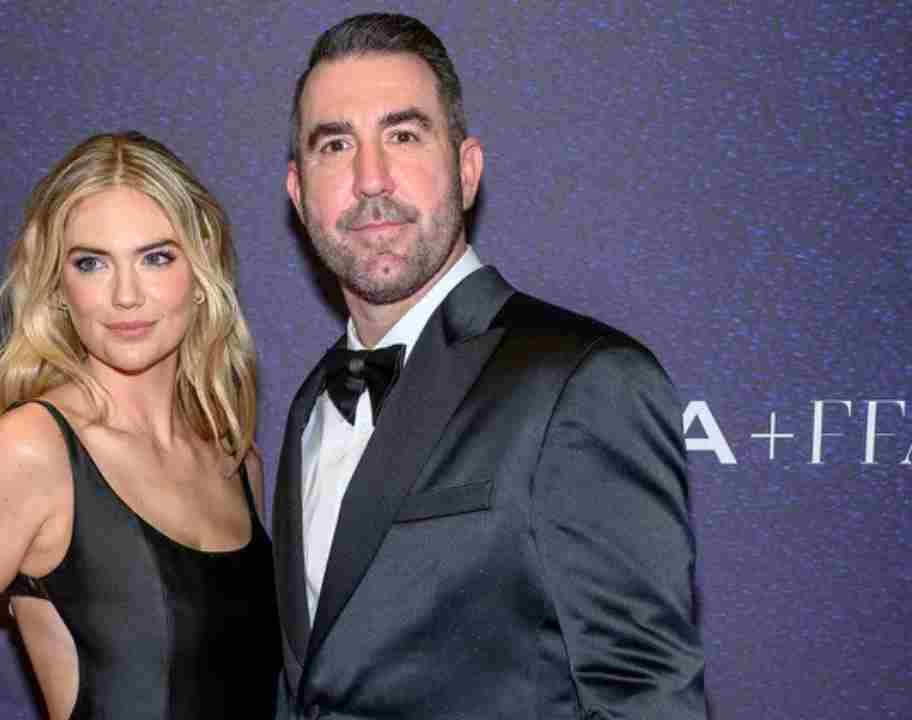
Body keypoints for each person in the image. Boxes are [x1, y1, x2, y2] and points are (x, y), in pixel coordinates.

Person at [273, 13, 706, 720]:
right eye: (336, 145)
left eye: (403, 135)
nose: (370, 177)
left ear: (467, 170)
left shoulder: (583, 383)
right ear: (298, 193)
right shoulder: (309, 406)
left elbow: (644, 699)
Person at [0, 132, 280, 719]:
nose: (125, 295)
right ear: (60, 289)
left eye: (156, 257)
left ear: (200, 272)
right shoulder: (30, 454)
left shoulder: (234, 459)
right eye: (91, 263)